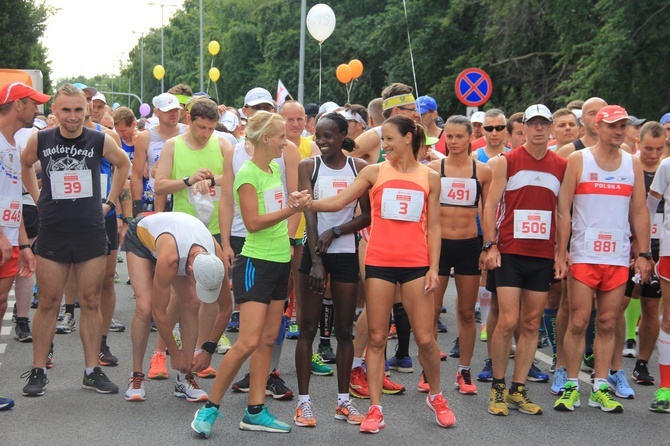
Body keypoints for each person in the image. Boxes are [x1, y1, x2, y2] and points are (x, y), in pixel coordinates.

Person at [311, 114, 455, 433]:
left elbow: (434, 226)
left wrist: (434, 267)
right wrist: (309, 203)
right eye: (383, 140)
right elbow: (340, 201)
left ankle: (437, 395)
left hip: (416, 264)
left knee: (426, 338)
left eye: (389, 139)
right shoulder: (375, 172)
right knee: (376, 337)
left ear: (407, 139)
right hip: (380, 262)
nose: (384, 145)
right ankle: (376, 409)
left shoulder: (430, 176)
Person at [190, 111, 311, 438]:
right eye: (281, 136)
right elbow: (254, 222)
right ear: (265, 139)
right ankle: (210, 409)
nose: (286, 141)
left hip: (279, 260)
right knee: (246, 341)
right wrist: (293, 209)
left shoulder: (272, 168)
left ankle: (255, 410)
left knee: (268, 338)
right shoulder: (246, 174)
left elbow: (276, 209)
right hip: (255, 263)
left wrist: (292, 206)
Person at [20, 83, 130, 397]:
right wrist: (37, 196)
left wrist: (109, 203)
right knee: (50, 302)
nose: (72, 117)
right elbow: (26, 164)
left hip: (90, 228)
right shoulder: (40, 138)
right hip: (54, 228)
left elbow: (123, 163)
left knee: (91, 301)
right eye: (66, 110)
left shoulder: (99, 138)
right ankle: (38, 371)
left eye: (78, 110)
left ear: (86, 110)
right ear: (55, 110)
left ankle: (91, 371)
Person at [554, 105, 652, 413]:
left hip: (618, 256)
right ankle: (571, 384)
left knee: (609, 321)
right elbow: (563, 209)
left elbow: (639, 210)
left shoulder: (632, 163)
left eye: (623, 126)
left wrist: (645, 252)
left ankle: (599, 386)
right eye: (612, 126)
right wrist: (562, 250)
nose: (619, 131)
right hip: (583, 254)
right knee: (579, 319)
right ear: (598, 127)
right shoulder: (578, 159)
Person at [482, 104, 567, 416]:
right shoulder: (506, 161)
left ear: (551, 128)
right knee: (507, 320)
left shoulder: (562, 164)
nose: (539, 129)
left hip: (542, 255)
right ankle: (498, 388)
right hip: (510, 253)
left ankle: (519, 389)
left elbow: (563, 212)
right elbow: (490, 206)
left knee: (531, 322)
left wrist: (561, 253)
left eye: (544, 124)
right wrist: (490, 245)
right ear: (524, 128)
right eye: (533, 124)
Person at [293, 112, 371, 427]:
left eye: (328, 136)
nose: (322, 142)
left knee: (344, 331)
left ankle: (343, 402)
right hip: (314, 256)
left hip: (346, 254)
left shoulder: (360, 168)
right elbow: (308, 213)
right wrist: (316, 259)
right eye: (318, 137)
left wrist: (337, 232)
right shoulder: (308, 166)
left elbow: (366, 216)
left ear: (342, 135)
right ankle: (303, 404)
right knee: (307, 328)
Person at [153, 97, 233, 380]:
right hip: (183, 231)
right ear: (189, 120)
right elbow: (159, 185)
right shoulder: (173, 145)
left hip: (211, 230)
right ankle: (160, 354)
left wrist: (212, 180)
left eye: (211, 128)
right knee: (181, 297)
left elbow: (235, 178)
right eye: (201, 127)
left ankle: (199, 353)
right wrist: (188, 180)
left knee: (208, 293)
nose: (206, 134)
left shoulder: (223, 144)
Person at [123, 211, 230, 402]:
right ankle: (136, 375)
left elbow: (226, 308)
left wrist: (208, 349)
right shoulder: (171, 259)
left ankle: (184, 377)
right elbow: (159, 311)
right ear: (190, 270)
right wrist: (174, 352)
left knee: (192, 302)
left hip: (180, 237)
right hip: (142, 236)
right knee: (145, 306)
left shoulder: (217, 258)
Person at [427, 115, 491, 396]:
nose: (453, 142)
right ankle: (428, 373)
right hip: (438, 246)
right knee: (430, 312)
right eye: (449, 137)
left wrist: (489, 245)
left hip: (468, 245)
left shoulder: (484, 171)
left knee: (466, 312)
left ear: (469, 138)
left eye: (459, 137)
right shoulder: (432, 169)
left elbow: (488, 212)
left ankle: (464, 371)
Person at [0, 82, 45, 408]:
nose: (37, 110)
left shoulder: (14, 143)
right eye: (33, 104)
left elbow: (13, 197)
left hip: (12, 239)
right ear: (18, 105)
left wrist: (25, 243)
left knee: (2, 303)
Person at [624, 122, 666, 387]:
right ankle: (607, 359)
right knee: (618, 304)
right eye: (648, 148)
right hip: (628, 245)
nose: (653, 154)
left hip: (660, 247)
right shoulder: (629, 166)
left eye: (659, 149)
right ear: (638, 143)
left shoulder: (666, 168)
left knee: (651, 307)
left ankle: (642, 363)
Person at [646, 123, 670, 412]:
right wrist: (642, 246)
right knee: (669, 320)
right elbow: (648, 207)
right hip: (669, 249)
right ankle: (665, 388)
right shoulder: (666, 166)